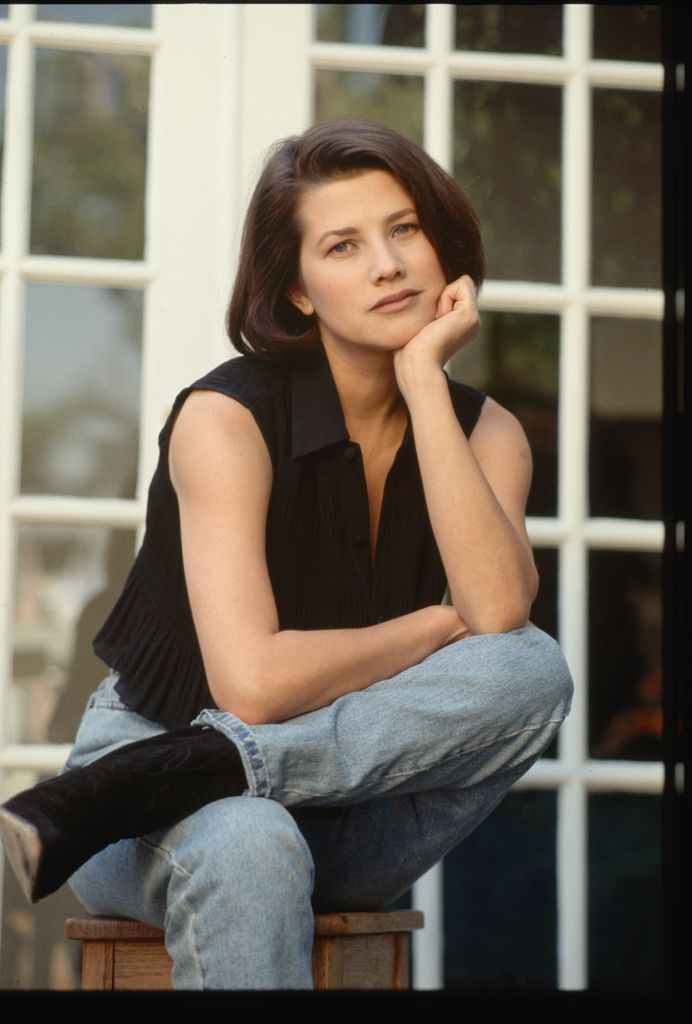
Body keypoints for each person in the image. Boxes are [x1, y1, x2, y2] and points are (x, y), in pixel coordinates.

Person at [0, 118, 573, 989]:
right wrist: (434, 626)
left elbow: (497, 617)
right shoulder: (225, 421)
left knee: (535, 668)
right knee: (247, 836)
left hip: (347, 802)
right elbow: (255, 685)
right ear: (299, 292)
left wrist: (424, 379)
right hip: (140, 807)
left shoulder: (488, 432)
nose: (388, 264)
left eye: (405, 229)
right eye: (344, 246)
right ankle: (169, 775)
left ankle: (203, 768)